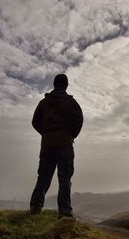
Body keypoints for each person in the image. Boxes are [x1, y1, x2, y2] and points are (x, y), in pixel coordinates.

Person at [30, 74, 83, 218]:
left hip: (47, 145)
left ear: (54, 84)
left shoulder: (43, 103)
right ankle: (65, 212)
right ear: (66, 85)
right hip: (65, 145)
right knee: (65, 178)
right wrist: (69, 136)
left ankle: (35, 208)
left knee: (43, 177)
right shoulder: (72, 104)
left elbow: (35, 122)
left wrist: (46, 134)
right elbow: (78, 122)